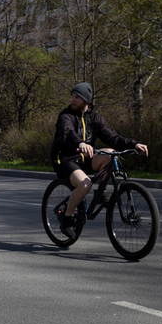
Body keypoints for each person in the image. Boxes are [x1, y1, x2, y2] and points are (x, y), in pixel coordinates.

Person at [50, 82, 149, 238]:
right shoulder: (65, 116)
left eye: (77, 97)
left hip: (86, 160)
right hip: (67, 160)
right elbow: (67, 133)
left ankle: (101, 192)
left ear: (86, 100)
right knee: (85, 184)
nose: (73, 100)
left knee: (111, 152)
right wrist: (80, 143)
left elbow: (113, 137)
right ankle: (66, 217)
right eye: (72, 96)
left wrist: (135, 144)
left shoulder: (95, 118)